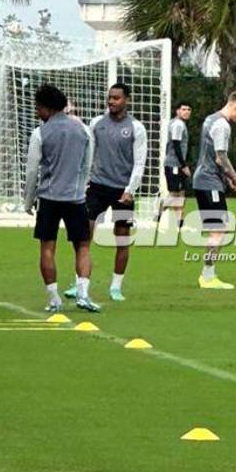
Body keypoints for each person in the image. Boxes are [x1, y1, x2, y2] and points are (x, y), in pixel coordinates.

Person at [68, 82, 147, 305]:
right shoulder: (96, 123)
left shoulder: (136, 128)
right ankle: (79, 282)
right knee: (84, 235)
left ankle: (116, 286)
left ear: (127, 100)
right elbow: (88, 154)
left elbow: (139, 162)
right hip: (97, 187)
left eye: (116, 98)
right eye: (110, 97)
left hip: (123, 190)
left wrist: (130, 189)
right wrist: (83, 181)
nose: (111, 101)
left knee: (122, 239)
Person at [24, 83, 93, 314]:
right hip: (76, 198)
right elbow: (87, 165)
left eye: (38, 107)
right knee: (82, 246)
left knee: (47, 248)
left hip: (49, 198)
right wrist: (80, 189)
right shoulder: (83, 130)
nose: (36, 112)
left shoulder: (40, 133)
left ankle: (54, 299)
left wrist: (28, 200)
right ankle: (83, 294)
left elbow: (32, 170)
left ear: (46, 107)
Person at [192, 91, 236, 289]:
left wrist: (228, 180)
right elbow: (220, 158)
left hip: (206, 180)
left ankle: (208, 275)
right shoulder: (222, 125)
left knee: (218, 228)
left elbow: (213, 157)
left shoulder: (211, 119)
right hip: (209, 181)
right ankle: (207, 276)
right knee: (218, 230)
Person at [157, 101, 192, 229]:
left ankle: (180, 224)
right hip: (174, 165)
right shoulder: (178, 124)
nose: (186, 112)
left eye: (188, 109)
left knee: (181, 194)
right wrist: (184, 165)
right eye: (183, 109)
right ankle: (158, 212)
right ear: (177, 111)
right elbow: (176, 145)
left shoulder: (177, 123)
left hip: (176, 165)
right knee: (174, 194)